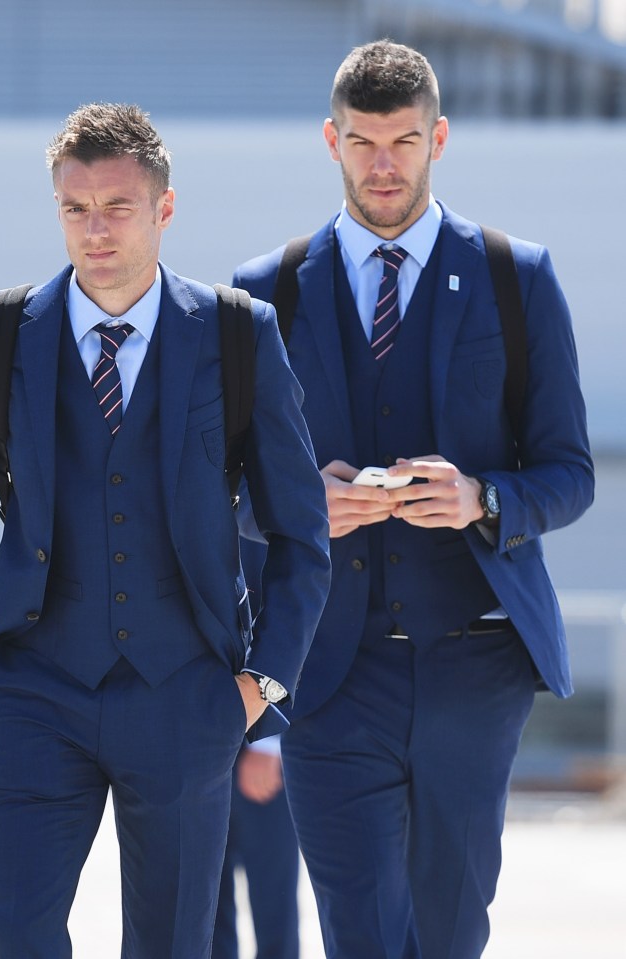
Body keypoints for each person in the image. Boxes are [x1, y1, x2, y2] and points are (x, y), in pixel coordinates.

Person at [0, 102, 330, 959]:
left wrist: (262, 687)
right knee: (20, 936)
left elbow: (301, 531)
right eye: (75, 209)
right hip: (31, 692)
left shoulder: (238, 336)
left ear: (164, 208)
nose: (94, 230)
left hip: (189, 697)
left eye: (117, 207)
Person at [233, 40, 594, 959]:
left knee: (448, 932)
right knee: (358, 934)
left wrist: (481, 497)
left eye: (402, 141)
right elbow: (213, 490)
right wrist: (295, 504)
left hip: (476, 665)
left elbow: (568, 473)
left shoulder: (520, 279)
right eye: (362, 142)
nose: (383, 164)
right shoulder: (260, 296)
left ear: (438, 137)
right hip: (326, 672)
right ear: (331, 140)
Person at [212, 737, 300, 959]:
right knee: (205, 902)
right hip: (196, 741)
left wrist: (267, 743)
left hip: (258, 737)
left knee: (273, 896)